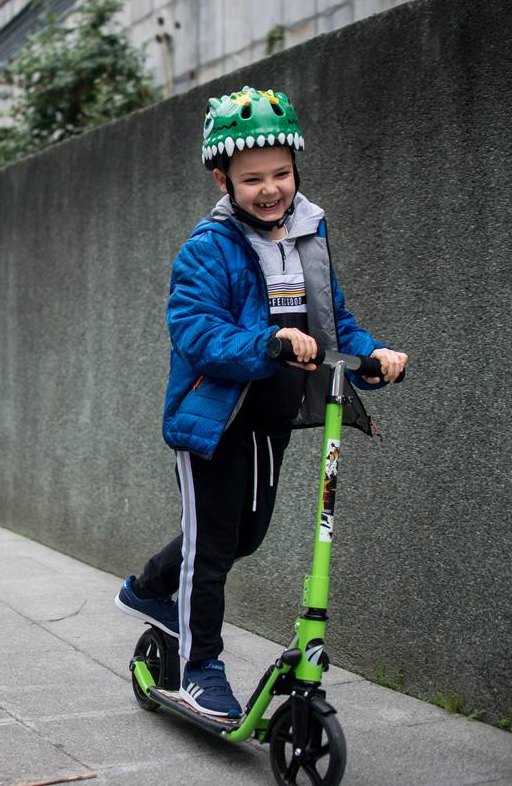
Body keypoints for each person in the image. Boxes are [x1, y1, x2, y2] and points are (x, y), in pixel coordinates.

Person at [114, 87, 407, 717]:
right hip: (215, 424)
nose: (270, 189)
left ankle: (148, 588)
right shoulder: (208, 248)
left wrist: (374, 354)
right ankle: (200, 668)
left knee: (242, 538)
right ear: (223, 180)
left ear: (296, 169)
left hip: (271, 420)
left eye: (281, 173)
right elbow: (196, 333)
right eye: (252, 179)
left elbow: (333, 323)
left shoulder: (309, 236)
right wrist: (269, 342)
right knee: (212, 551)